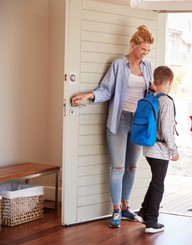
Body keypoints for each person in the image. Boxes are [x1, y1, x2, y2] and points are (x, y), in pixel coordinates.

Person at [70, 25, 155, 228]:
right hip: (119, 121)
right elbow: (106, 90)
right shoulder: (118, 65)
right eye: (143, 49)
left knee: (132, 167)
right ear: (133, 45)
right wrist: (88, 95)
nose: (145, 54)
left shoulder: (147, 67)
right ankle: (116, 209)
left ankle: (126, 207)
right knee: (118, 167)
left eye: (148, 51)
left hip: (139, 123)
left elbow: (149, 93)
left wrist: (154, 90)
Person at [138, 66, 179, 234]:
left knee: (155, 181)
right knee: (158, 184)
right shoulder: (167, 102)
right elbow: (167, 130)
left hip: (148, 147)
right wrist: (174, 151)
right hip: (160, 150)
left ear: (155, 82)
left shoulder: (151, 98)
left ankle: (143, 212)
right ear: (170, 82)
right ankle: (152, 222)